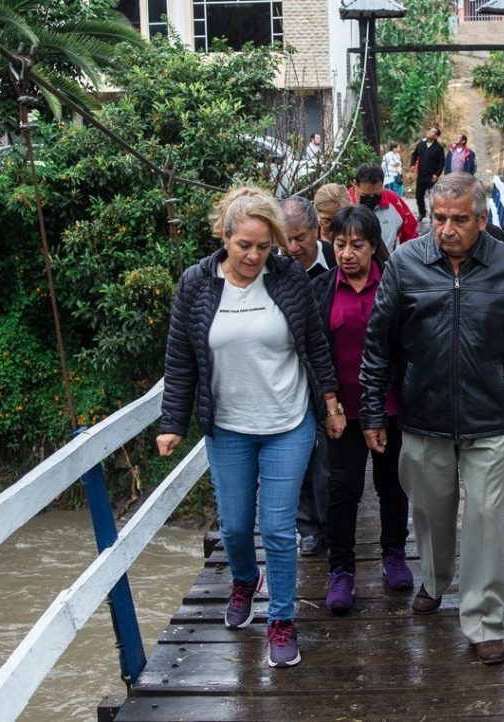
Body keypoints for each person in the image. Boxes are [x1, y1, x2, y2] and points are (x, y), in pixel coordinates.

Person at [358, 174, 504, 666]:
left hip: (488, 420)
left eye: (459, 219)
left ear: (482, 220)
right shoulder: (404, 264)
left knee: (485, 521)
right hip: (423, 416)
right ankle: (435, 579)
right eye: (439, 218)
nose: (447, 229)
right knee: (429, 513)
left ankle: (484, 621)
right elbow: (378, 346)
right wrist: (373, 410)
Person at [157, 186, 347, 668]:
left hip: (288, 420)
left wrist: (330, 402)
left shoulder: (287, 279)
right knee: (237, 527)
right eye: (245, 245)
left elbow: (314, 345)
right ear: (226, 237)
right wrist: (172, 422)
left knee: (279, 528)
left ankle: (281, 620)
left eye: (264, 247)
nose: (254, 256)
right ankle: (244, 579)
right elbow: (181, 359)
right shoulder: (196, 284)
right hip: (228, 427)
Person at [310, 205, 413, 614]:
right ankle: (341, 570)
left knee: (392, 484)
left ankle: (393, 554)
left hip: (389, 407)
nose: (347, 253)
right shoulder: (321, 290)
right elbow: (315, 353)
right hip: (341, 411)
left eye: (357, 245)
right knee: (343, 490)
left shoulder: (393, 285)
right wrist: (329, 403)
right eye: (339, 245)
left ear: (374, 247)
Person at [279, 197, 336, 557]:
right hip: (291, 378)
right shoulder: (272, 268)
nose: (292, 247)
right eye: (285, 238)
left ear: (317, 230)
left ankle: (333, 524)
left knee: (330, 458)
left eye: (300, 237)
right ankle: (309, 528)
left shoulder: (340, 257)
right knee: (298, 455)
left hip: (333, 375)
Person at [348, 163, 418, 255]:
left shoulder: (395, 202)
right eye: (366, 196)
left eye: (376, 195)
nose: (371, 198)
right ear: (355, 185)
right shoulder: (344, 203)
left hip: (385, 265)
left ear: (382, 186)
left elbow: (411, 234)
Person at [410, 126, 446, 221]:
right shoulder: (421, 144)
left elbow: (441, 163)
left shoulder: (439, 148)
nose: (429, 132)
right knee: (419, 195)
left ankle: (433, 215)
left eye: (433, 132)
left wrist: (437, 175)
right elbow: (414, 154)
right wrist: (413, 165)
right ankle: (422, 213)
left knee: (433, 198)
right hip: (421, 175)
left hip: (432, 177)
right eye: (429, 130)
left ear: (436, 136)